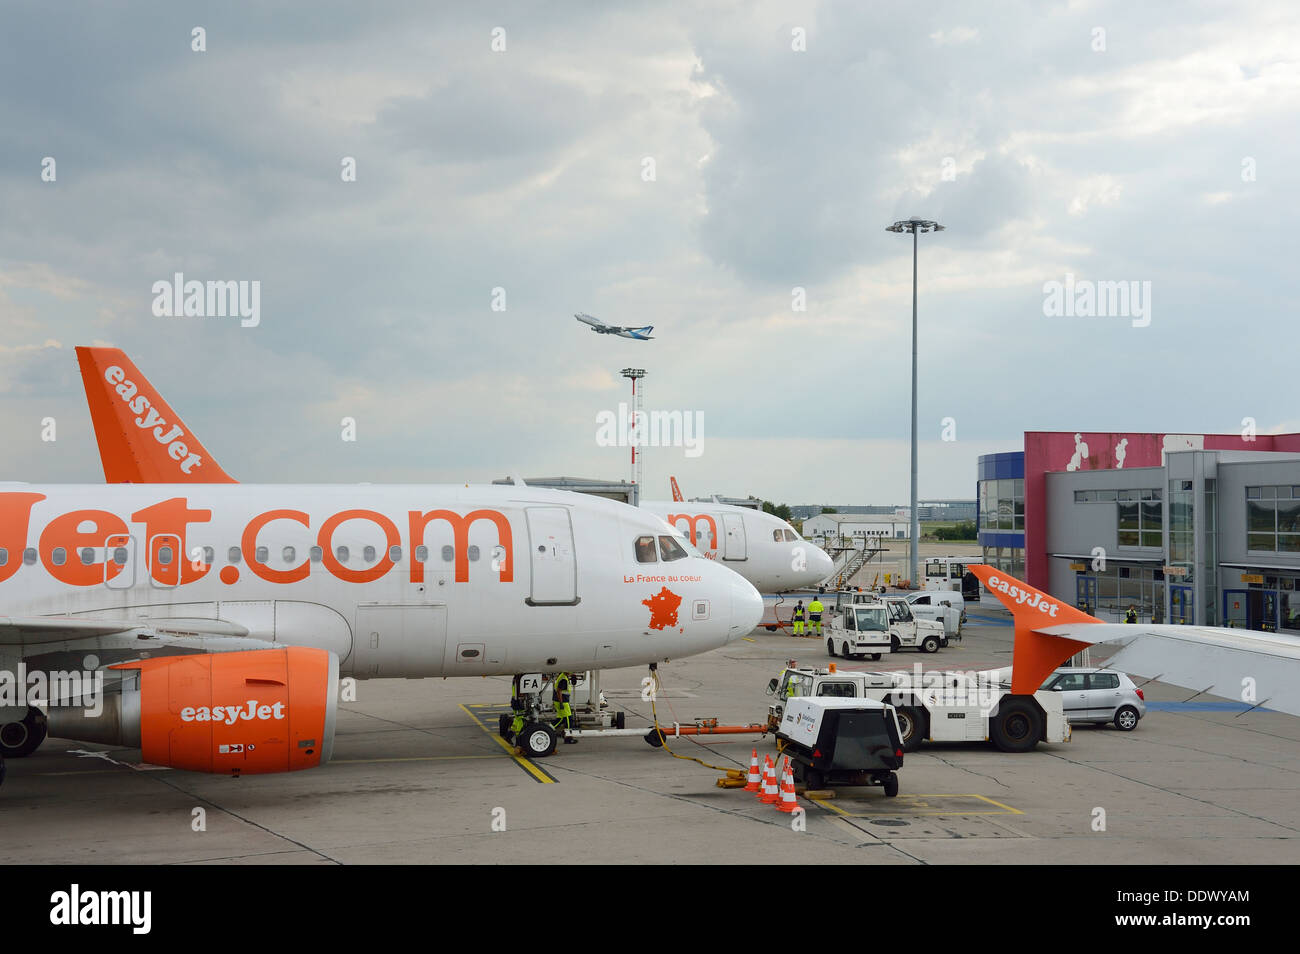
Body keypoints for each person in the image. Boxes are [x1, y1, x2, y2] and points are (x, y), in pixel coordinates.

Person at [553, 671, 577, 743]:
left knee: (560, 719)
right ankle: (568, 738)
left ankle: (548, 729)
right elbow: (559, 691)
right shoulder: (564, 679)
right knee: (568, 720)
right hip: (562, 701)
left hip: (560, 701)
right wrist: (561, 703)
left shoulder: (563, 676)